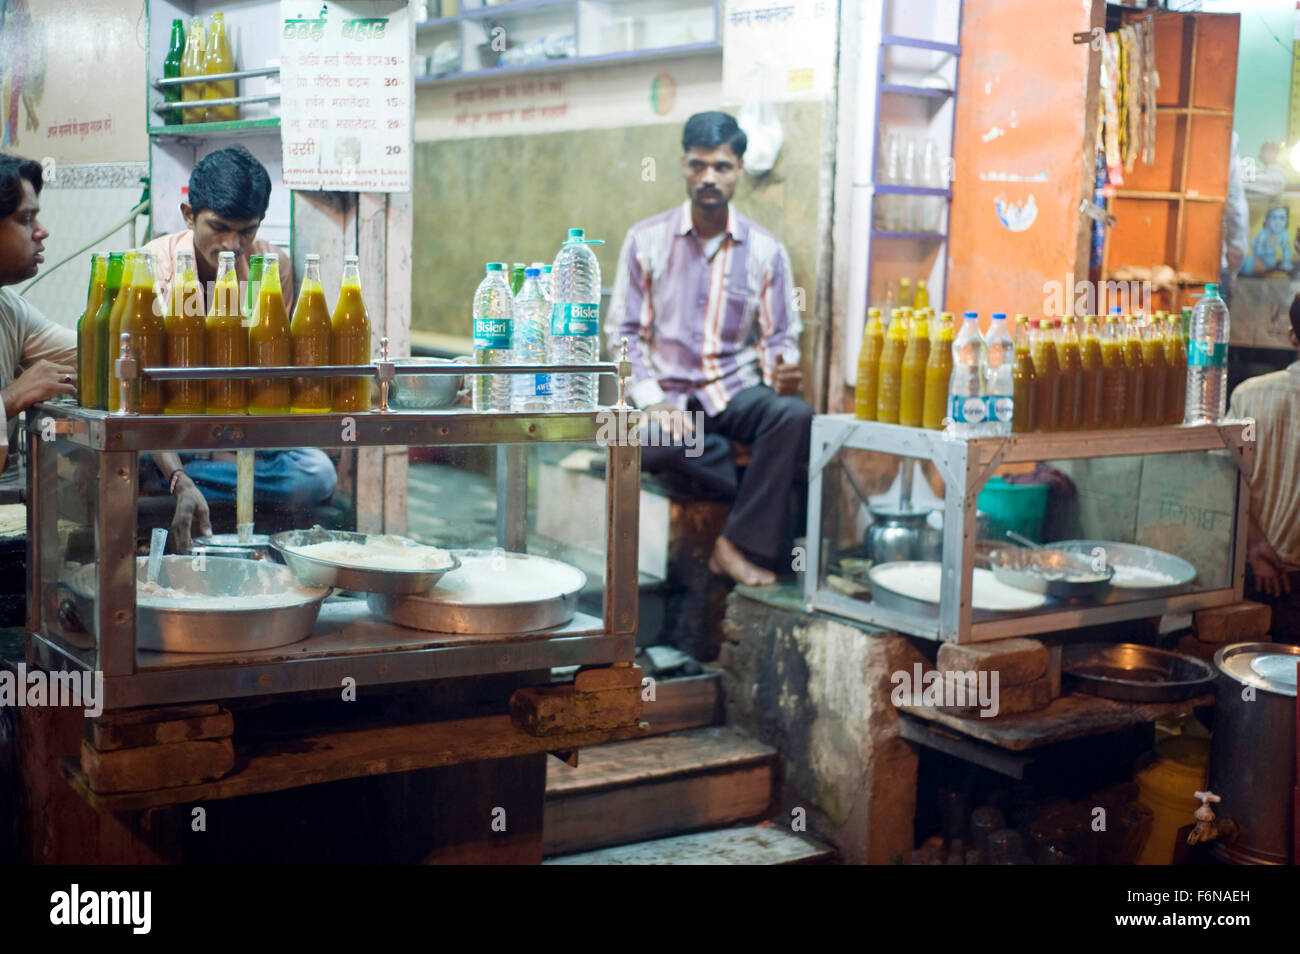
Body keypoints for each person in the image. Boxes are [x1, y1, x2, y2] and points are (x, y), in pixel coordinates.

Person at [608, 111, 811, 587]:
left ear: (738, 169)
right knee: (652, 441)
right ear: (683, 165)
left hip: (732, 390)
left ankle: (735, 546)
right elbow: (625, 334)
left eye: (721, 166)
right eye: (698, 165)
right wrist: (652, 401)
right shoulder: (646, 241)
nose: (708, 177)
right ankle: (755, 491)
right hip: (670, 399)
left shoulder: (765, 250)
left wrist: (783, 368)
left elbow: (781, 337)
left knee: (793, 417)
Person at [0, 152, 210, 545]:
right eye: (26, 220)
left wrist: (178, 476)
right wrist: (12, 397)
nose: (42, 231)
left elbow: (120, 364)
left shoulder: (9, 310)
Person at [141, 146, 335, 527]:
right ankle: (176, 475)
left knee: (316, 473)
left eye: (246, 231)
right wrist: (179, 468)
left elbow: (271, 376)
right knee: (138, 457)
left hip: (243, 427)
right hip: (169, 430)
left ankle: (193, 476)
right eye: (218, 227)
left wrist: (235, 447)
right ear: (189, 215)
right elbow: (145, 397)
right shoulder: (153, 268)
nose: (232, 244)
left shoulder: (271, 268)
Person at [1227, 292, 1300, 643]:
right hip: (1278, 575)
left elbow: (1224, 481)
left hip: (1256, 572)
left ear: (1292, 335)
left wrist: (1255, 547)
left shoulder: (1248, 395)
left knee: (1251, 682)